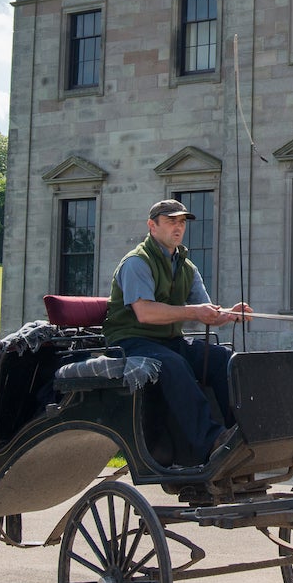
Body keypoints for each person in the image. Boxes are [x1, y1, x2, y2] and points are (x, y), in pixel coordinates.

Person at [102, 199, 251, 466]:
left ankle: (243, 433)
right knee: (173, 365)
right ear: (152, 225)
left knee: (224, 359)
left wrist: (229, 314)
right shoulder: (137, 263)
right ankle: (212, 441)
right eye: (171, 221)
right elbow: (145, 313)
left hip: (168, 340)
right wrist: (194, 312)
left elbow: (206, 312)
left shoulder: (186, 266)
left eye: (182, 222)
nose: (178, 227)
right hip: (132, 341)